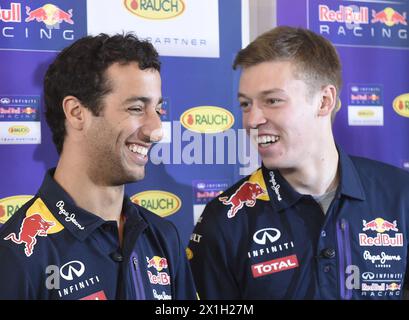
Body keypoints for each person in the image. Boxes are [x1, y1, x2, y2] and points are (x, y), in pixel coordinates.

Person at [188, 26, 409, 299]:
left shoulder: (400, 195)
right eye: (246, 104)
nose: (252, 120)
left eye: (272, 100)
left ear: (324, 101)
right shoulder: (224, 220)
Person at [0, 33, 196, 300]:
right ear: (77, 113)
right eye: (137, 108)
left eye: (158, 110)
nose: (156, 130)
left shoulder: (162, 236)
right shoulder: (15, 255)